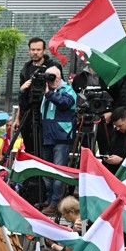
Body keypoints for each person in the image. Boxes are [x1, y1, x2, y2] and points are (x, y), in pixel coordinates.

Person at [39, 67, 76, 214]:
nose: (52, 80)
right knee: (47, 171)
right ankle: (49, 199)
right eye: (49, 77)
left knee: (58, 172)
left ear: (60, 77)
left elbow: (64, 103)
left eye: (54, 77)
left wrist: (48, 93)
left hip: (62, 137)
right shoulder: (45, 91)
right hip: (48, 136)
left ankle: (55, 203)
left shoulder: (68, 90)